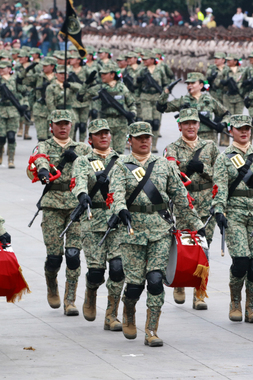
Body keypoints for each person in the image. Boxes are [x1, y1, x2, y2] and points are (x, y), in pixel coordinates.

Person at [109, 121, 205, 346]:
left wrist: (197, 223)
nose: (144, 141)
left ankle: (151, 330)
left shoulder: (164, 165)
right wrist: (120, 210)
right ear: (129, 140)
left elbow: (181, 197)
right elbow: (116, 193)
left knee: (154, 280)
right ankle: (129, 312)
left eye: (147, 137)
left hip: (160, 231)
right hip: (132, 232)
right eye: (139, 137)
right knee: (134, 284)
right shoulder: (121, 165)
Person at [211, 114, 253, 324]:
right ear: (231, 130)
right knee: (241, 262)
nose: (244, 131)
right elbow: (220, 186)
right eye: (240, 128)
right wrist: (219, 211)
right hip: (235, 213)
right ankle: (235, 302)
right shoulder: (224, 158)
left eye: (247, 128)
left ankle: (252, 308)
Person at [30, 109, 91, 315]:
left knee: (73, 255)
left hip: (76, 205)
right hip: (53, 205)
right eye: (59, 124)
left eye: (66, 123)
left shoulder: (82, 148)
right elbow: (39, 159)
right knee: (54, 256)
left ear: (71, 125)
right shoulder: (45, 146)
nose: (63, 127)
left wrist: (77, 160)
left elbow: (95, 169)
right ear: (51, 126)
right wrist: (43, 170)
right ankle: (51, 282)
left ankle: (71, 300)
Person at [164, 108, 220, 310]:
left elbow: (220, 173)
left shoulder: (210, 146)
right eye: (186, 123)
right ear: (179, 126)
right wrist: (186, 167)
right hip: (183, 205)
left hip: (206, 202)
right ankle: (179, 282)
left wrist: (204, 169)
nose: (190, 127)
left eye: (193, 123)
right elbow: (170, 171)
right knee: (183, 246)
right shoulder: (172, 148)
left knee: (203, 249)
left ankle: (199, 293)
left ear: (198, 125)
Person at [71, 119, 124, 330]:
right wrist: (83, 195)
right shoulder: (83, 160)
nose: (103, 136)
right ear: (90, 138)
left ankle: (111, 315)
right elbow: (79, 181)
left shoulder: (121, 160)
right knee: (96, 272)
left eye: (106, 133)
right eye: (98, 134)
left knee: (118, 268)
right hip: (93, 221)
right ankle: (91, 292)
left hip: (116, 219)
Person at [77, 61, 137, 154]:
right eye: (101, 74)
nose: (102, 76)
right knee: (106, 152)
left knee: (119, 153)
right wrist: (86, 83)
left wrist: (132, 113)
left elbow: (131, 103)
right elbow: (81, 97)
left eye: (105, 73)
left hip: (121, 124)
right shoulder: (99, 88)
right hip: (105, 125)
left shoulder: (122, 88)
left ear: (112, 74)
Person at [158, 72, 229, 142]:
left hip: (208, 139)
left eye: (193, 83)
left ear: (201, 85)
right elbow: (161, 107)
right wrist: (167, 91)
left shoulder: (210, 100)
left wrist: (223, 124)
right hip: (189, 139)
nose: (190, 85)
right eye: (188, 84)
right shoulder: (183, 101)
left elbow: (227, 114)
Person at [136, 51, 169, 153]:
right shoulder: (141, 70)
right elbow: (135, 84)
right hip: (145, 97)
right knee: (147, 122)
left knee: (156, 122)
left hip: (157, 97)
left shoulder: (160, 70)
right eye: (143, 59)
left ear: (152, 60)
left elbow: (165, 84)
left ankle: (154, 145)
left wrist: (164, 96)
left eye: (146, 59)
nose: (144, 61)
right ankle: (145, 144)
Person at [0, 59, 28, 168]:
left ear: (9, 69)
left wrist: (24, 105)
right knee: (1, 137)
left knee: (11, 136)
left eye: (3, 68)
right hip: (1, 111)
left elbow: (24, 92)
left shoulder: (15, 80)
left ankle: (11, 160)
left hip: (13, 111)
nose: (1, 70)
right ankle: (0, 156)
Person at [22, 56, 56, 142]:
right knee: (42, 137)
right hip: (40, 108)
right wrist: (27, 70)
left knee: (52, 137)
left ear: (52, 66)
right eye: (43, 66)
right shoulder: (38, 77)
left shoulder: (58, 77)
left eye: (46, 66)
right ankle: (41, 155)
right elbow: (23, 80)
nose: (43, 67)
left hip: (54, 109)